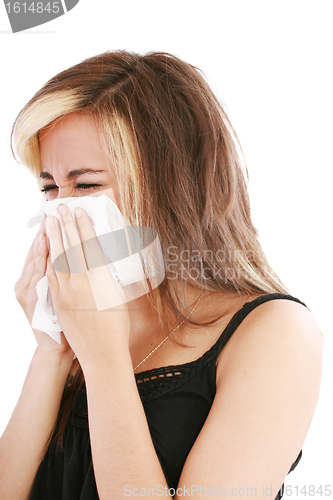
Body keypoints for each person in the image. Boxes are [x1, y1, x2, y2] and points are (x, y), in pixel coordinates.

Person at [0, 50, 322, 500]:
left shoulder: (276, 333)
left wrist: (105, 363)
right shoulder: (85, 320)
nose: (60, 209)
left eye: (87, 184)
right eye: (49, 187)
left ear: (172, 183)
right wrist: (53, 350)